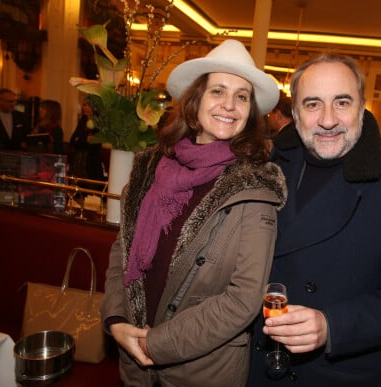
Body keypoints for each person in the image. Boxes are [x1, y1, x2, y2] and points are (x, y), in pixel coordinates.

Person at [246, 52, 381, 386]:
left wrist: (332, 325)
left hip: (335, 374)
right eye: (312, 104)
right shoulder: (265, 171)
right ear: (295, 113)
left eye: (342, 102)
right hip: (251, 368)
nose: (327, 119)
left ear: (362, 108)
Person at [100, 39, 287, 387]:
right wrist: (115, 320)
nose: (229, 105)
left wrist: (155, 343)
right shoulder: (150, 169)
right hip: (134, 364)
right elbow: (121, 252)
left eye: (242, 96)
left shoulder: (255, 186)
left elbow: (243, 298)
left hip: (200, 372)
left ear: (250, 112)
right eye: (218, 91)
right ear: (195, 99)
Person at [69, 100, 104, 181]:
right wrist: (85, 139)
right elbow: (72, 141)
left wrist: (80, 139)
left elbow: (93, 145)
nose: (86, 108)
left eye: (89, 105)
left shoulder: (98, 123)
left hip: (92, 165)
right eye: (84, 105)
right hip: (78, 164)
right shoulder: (82, 121)